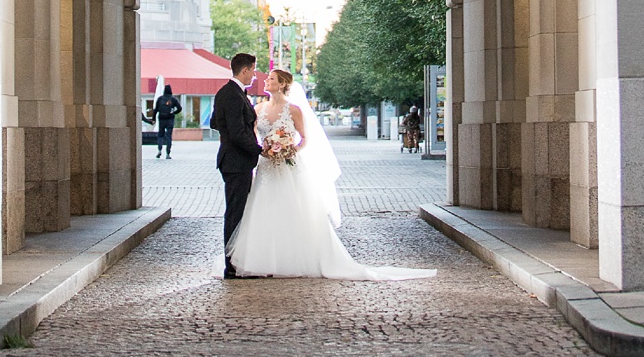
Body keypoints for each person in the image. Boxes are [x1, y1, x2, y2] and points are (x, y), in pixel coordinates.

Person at [227, 68, 436, 281]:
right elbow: (253, 136)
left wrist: (288, 150)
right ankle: (262, 260)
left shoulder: (294, 110)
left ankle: (293, 258)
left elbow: (304, 139)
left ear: (281, 84)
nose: (266, 81)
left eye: (271, 79)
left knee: (291, 208)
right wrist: (265, 149)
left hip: (288, 165)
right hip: (266, 165)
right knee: (263, 208)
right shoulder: (258, 108)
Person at [209, 53, 263, 279]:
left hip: (235, 160)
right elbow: (238, 131)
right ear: (245, 70)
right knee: (235, 213)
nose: (254, 74)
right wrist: (260, 150)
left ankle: (236, 260)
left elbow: (215, 122)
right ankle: (231, 264)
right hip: (235, 161)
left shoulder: (230, 93)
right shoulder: (231, 94)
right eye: (253, 70)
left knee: (238, 211)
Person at [153, 84, 182, 160]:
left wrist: (153, 119)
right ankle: (168, 153)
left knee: (160, 135)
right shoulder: (173, 99)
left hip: (161, 119)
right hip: (170, 119)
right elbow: (179, 108)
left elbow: (155, 110)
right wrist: (173, 113)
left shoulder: (160, 99)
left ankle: (159, 150)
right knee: (169, 136)